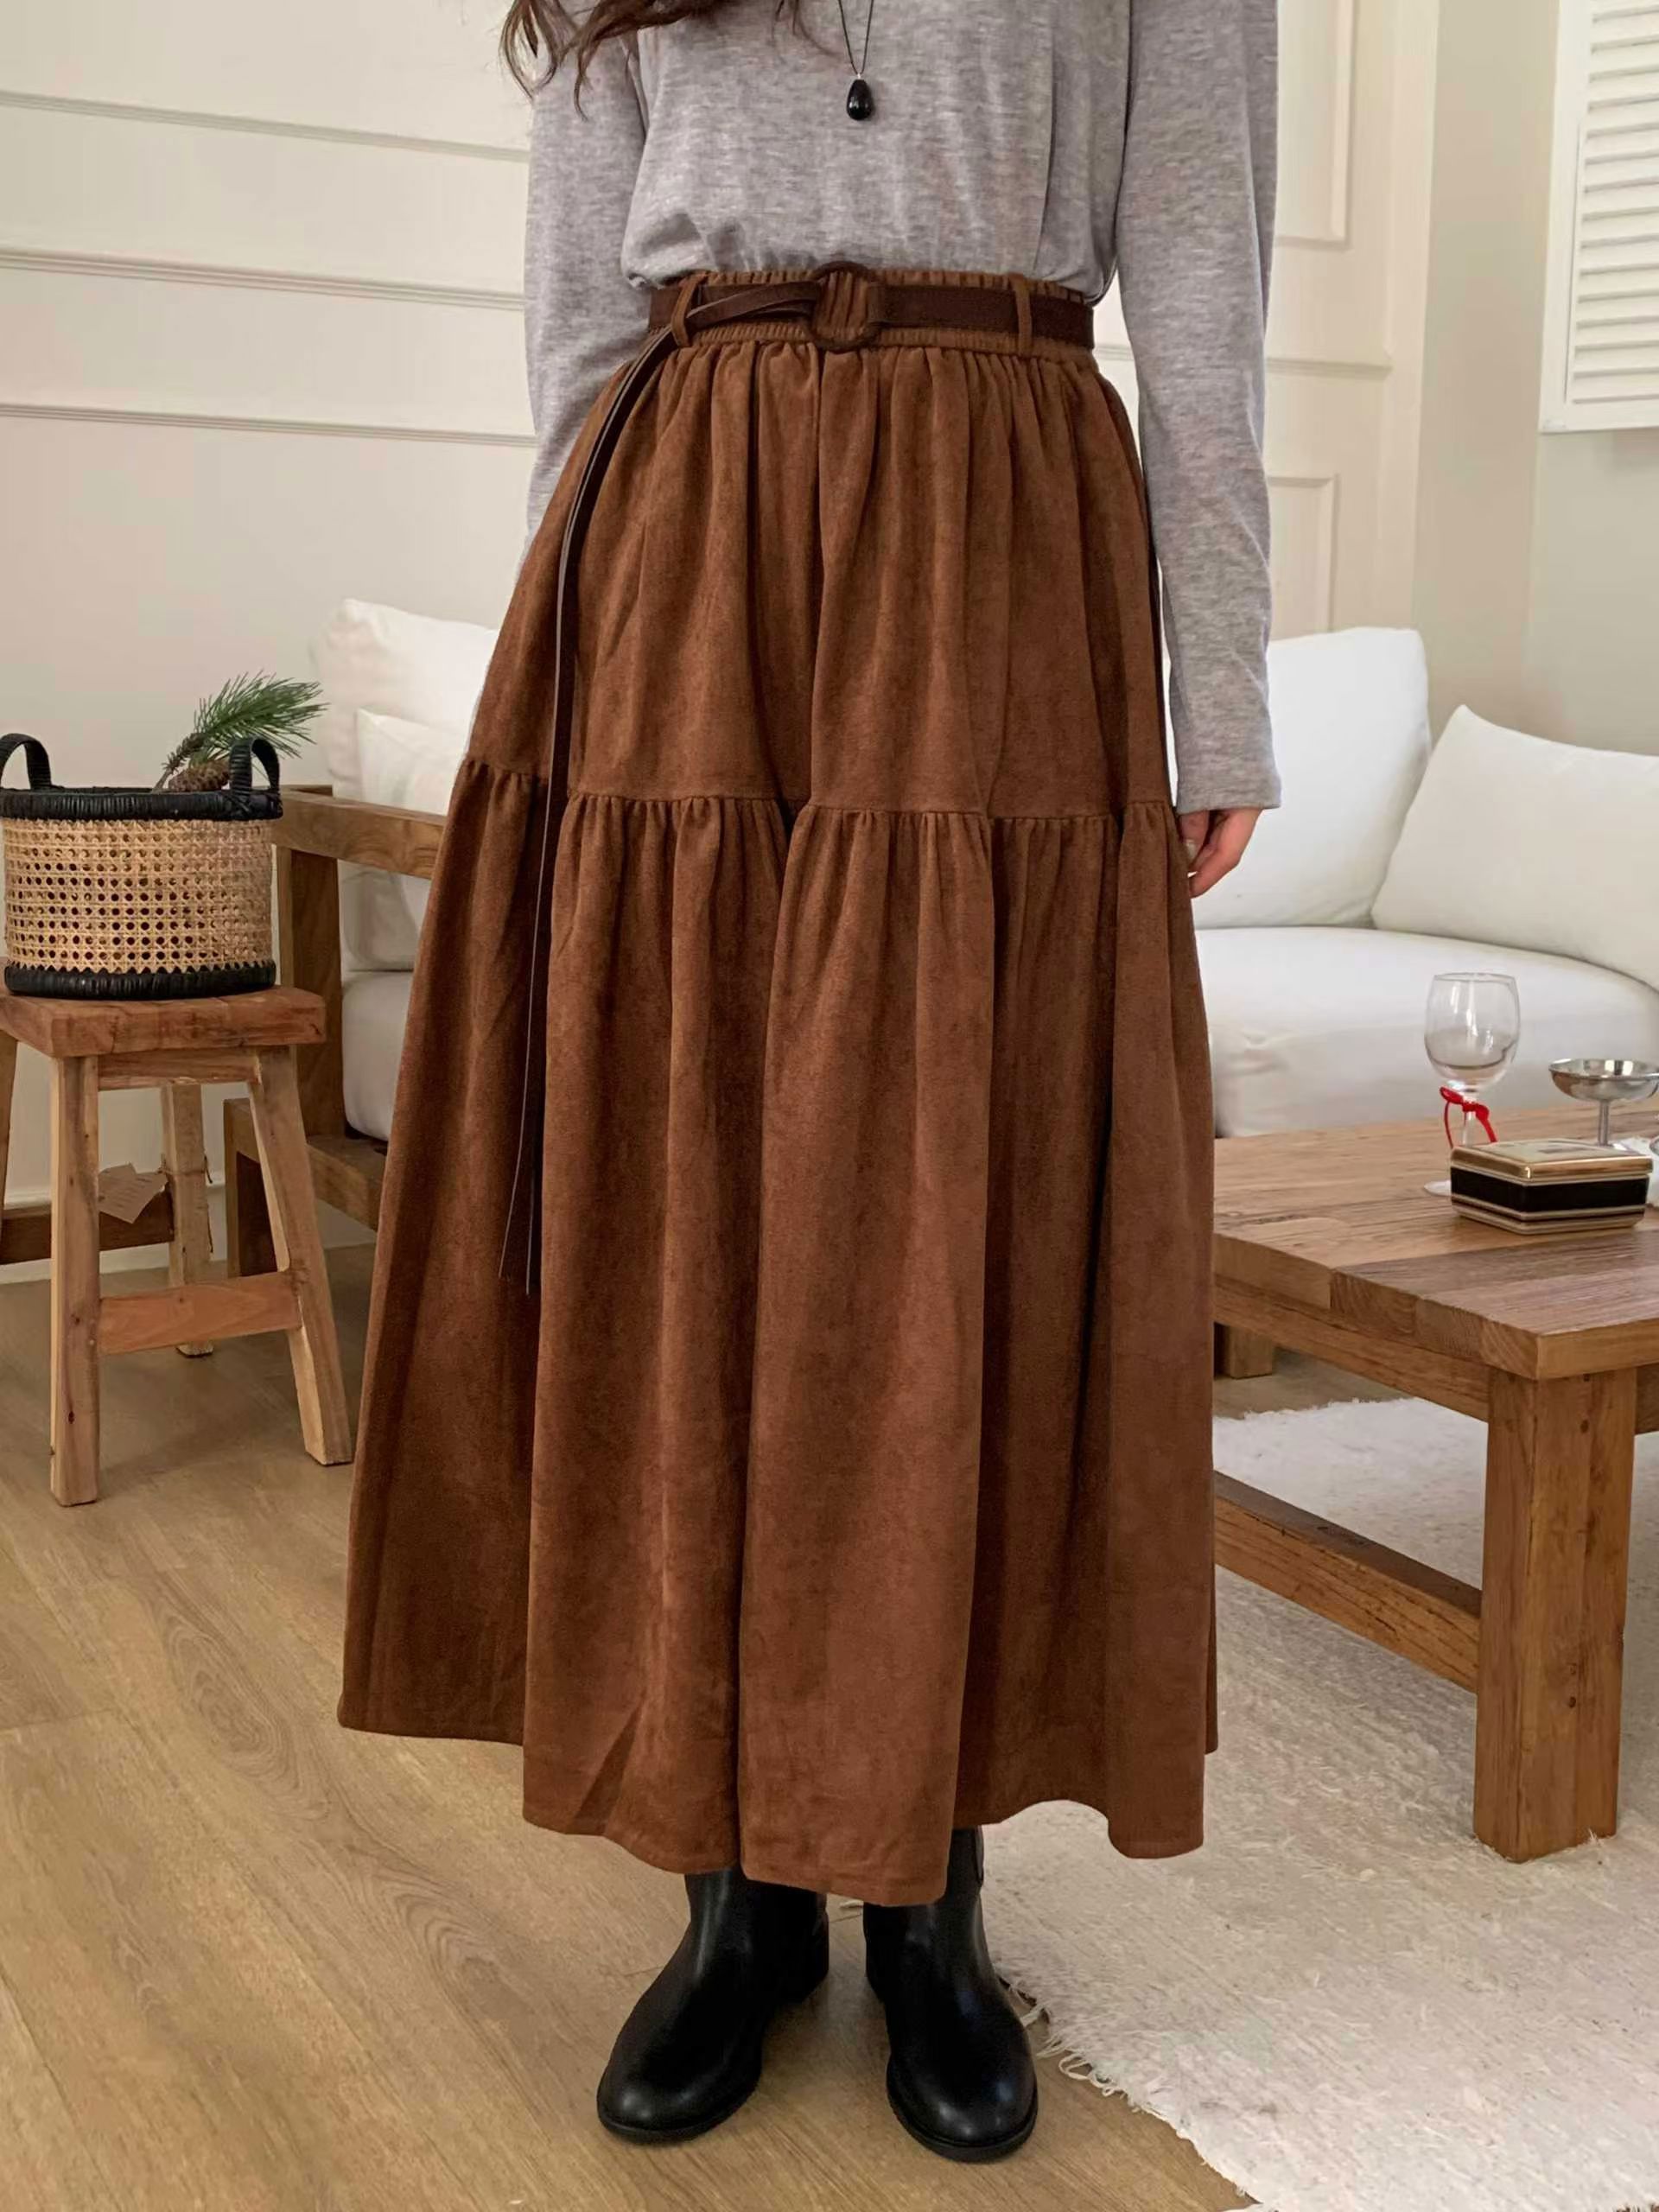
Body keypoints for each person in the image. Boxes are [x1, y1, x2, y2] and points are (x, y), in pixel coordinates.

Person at [340, 0, 1277, 2164]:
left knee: (962, 1210)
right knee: (691, 1207)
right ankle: (730, 1892)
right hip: (689, 541)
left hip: (1006, 529)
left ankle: (930, 1890)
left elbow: (1202, 290)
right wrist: (570, 667)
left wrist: (1218, 693)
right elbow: (584, 319)